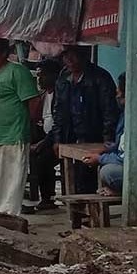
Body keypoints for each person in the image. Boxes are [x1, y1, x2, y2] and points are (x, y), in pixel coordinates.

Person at [0, 38, 41, 216]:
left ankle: (9, 220)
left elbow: (34, 102)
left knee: (10, 186)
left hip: (13, 137)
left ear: (4, 53)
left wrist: (25, 125)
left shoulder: (17, 72)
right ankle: (0, 218)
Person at [49, 45, 120, 194]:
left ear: (83, 55)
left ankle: (90, 210)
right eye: (66, 55)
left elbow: (109, 112)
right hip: (72, 134)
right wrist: (57, 138)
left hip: (95, 135)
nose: (69, 60)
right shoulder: (63, 78)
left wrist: (108, 141)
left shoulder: (100, 77)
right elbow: (59, 111)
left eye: (73, 55)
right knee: (72, 175)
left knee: (89, 176)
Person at [28, 61, 60, 210]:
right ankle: (38, 194)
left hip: (58, 139)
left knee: (43, 159)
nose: (39, 79)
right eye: (38, 75)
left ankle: (48, 198)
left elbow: (59, 124)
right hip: (45, 136)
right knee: (32, 155)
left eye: (42, 75)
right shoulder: (42, 96)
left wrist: (43, 143)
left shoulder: (60, 94)